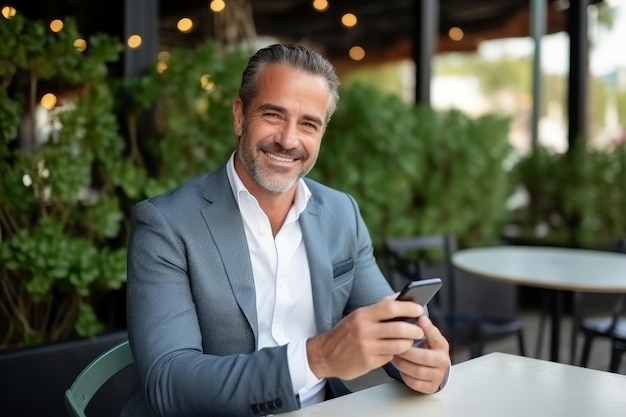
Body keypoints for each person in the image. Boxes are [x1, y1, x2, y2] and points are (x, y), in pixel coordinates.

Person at [121, 43, 450, 417]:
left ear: (323, 132)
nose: (289, 140)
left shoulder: (342, 212)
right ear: (239, 115)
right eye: (274, 115)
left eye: (309, 123)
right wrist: (317, 358)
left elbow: (386, 320)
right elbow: (168, 381)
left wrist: (423, 362)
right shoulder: (166, 223)